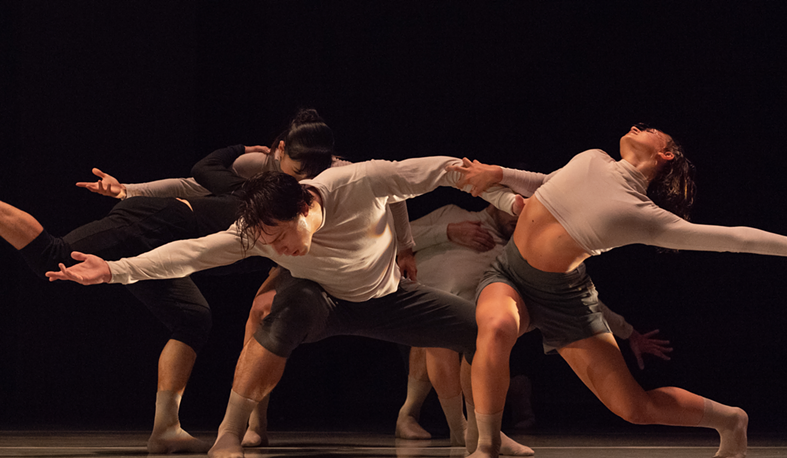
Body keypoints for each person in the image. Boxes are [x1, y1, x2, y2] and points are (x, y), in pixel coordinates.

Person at [44, 157, 533, 458]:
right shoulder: (254, 232)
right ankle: (229, 435)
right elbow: (188, 254)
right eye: (265, 240)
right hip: (321, 298)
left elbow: (451, 169)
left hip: (388, 296)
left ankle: (484, 437)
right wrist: (114, 269)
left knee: (482, 330)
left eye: (279, 235)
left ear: (304, 208)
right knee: (279, 315)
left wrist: (510, 202)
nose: (274, 245)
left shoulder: (360, 182)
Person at [0, 109, 337, 454]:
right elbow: (194, 178)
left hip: (165, 252)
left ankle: (166, 429)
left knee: (192, 318)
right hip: (153, 223)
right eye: (298, 168)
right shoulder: (248, 193)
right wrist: (130, 191)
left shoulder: (300, 216)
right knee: (53, 255)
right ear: (279, 155)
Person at [447, 123, 787, 458]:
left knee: (633, 408)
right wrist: (499, 173)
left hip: (565, 300)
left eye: (651, 129)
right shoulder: (592, 158)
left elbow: (737, 239)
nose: (636, 126)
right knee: (495, 327)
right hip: (510, 273)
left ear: (665, 154)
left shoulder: (645, 216)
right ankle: (487, 446)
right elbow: (547, 183)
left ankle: (730, 419)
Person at [396, 203, 673, 439]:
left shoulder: (518, 253)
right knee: (437, 333)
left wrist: (629, 333)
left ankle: (470, 429)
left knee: (465, 340)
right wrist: (446, 231)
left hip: (464, 323)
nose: (518, 216)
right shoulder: (450, 213)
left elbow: (577, 297)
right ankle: (418, 416)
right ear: (495, 201)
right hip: (415, 303)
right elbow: (393, 237)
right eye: (514, 208)